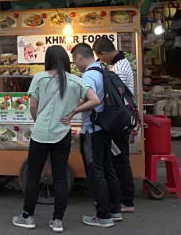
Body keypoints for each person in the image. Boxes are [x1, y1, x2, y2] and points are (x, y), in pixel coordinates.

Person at [13, 45, 100, 233]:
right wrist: (74, 111)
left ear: (48, 59)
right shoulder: (75, 81)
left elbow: (33, 107)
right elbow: (95, 100)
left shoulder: (40, 78)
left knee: (34, 176)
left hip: (41, 134)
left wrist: (39, 121)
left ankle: (27, 217)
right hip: (63, 133)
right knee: (60, 177)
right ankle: (58, 220)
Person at [71, 43, 121, 228]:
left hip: (92, 129)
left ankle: (103, 215)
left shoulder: (89, 75)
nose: (76, 65)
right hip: (105, 128)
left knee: (95, 171)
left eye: (75, 61)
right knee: (108, 168)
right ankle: (115, 210)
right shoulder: (102, 69)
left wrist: (73, 110)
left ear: (79, 57)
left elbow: (93, 100)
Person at [93, 37, 136, 213]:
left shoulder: (118, 68)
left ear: (104, 54)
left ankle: (126, 201)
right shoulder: (122, 63)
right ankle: (124, 198)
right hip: (124, 117)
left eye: (100, 57)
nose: (100, 60)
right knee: (120, 159)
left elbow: (114, 97)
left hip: (120, 119)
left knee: (120, 160)